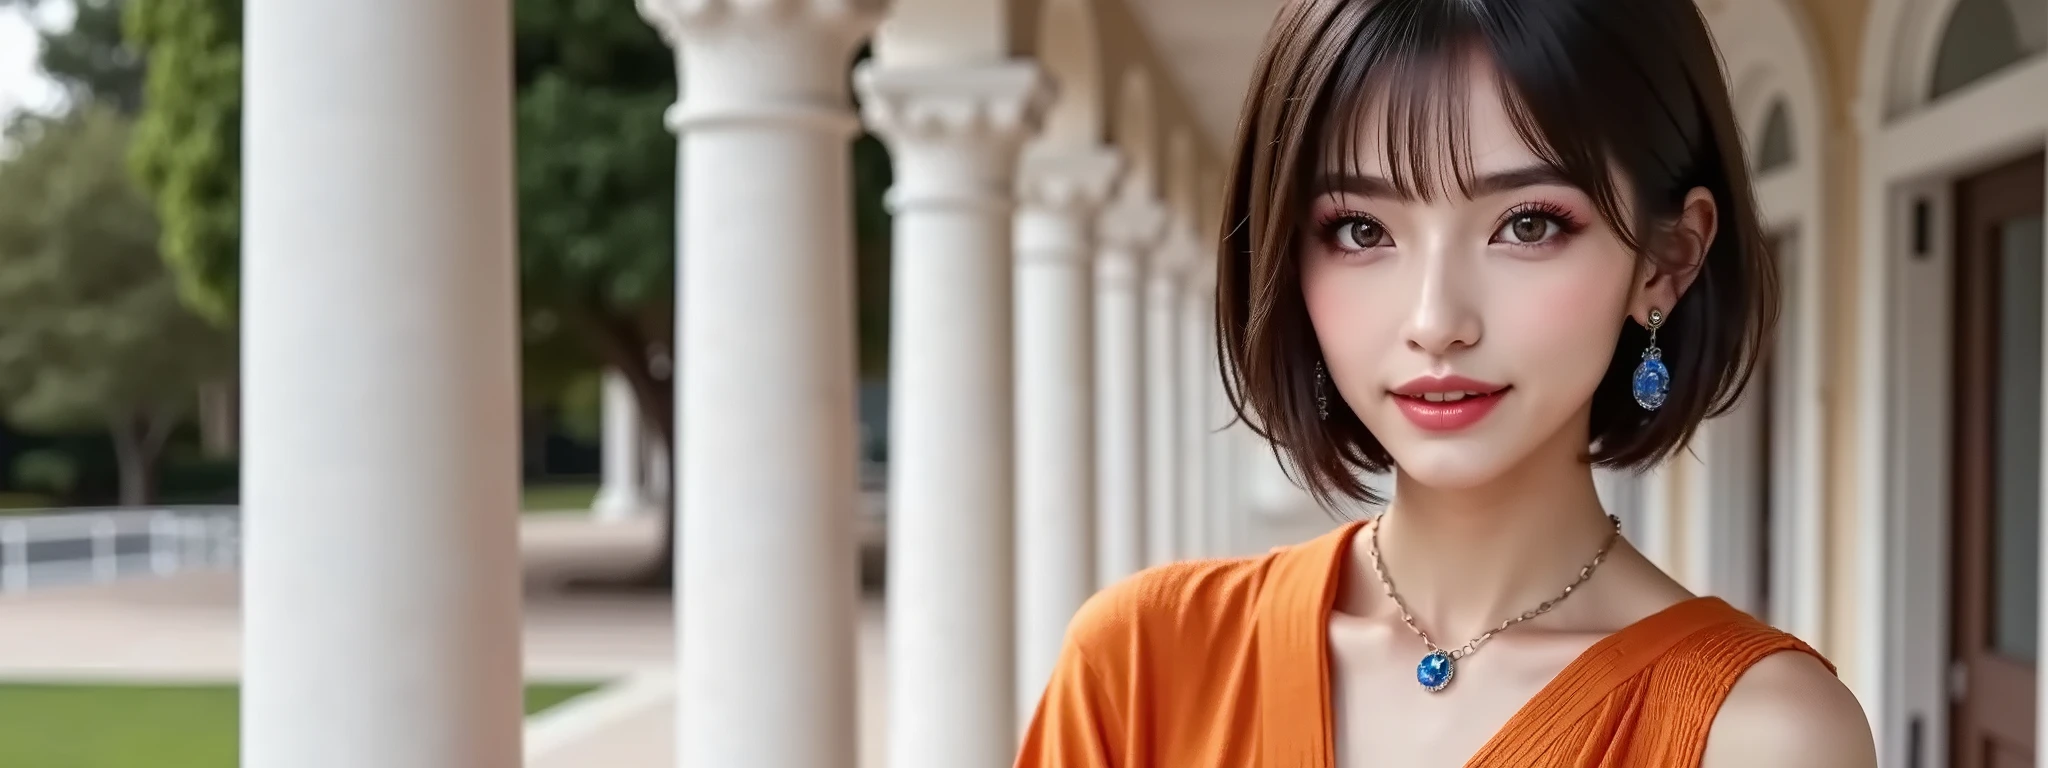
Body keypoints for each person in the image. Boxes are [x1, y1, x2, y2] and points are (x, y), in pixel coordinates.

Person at [1015, 0, 1879, 766]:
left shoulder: (1761, 737)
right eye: (1359, 229)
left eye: (1528, 223)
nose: (1436, 319)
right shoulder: (1143, 665)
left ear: (1668, 259)